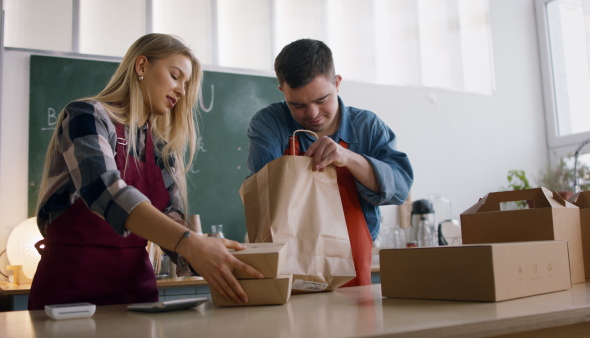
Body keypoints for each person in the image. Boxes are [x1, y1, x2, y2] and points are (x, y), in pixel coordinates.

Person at [28, 33, 262, 310]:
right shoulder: (86, 116)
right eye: (175, 76)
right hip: (70, 292)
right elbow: (104, 190)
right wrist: (190, 244)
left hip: (135, 293)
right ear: (141, 66)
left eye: (186, 85)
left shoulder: (162, 148)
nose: (182, 91)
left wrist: (216, 257)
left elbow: (170, 218)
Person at [246, 39, 413, 286]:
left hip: (354, 266)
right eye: (298, 105)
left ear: (337, 83)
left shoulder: (367, 126)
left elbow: (400, 188)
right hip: (290, 264)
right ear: (282, 91)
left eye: (322, 100)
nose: (312, 114)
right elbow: (265, 197)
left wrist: (349, 158)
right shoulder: (269, 124)